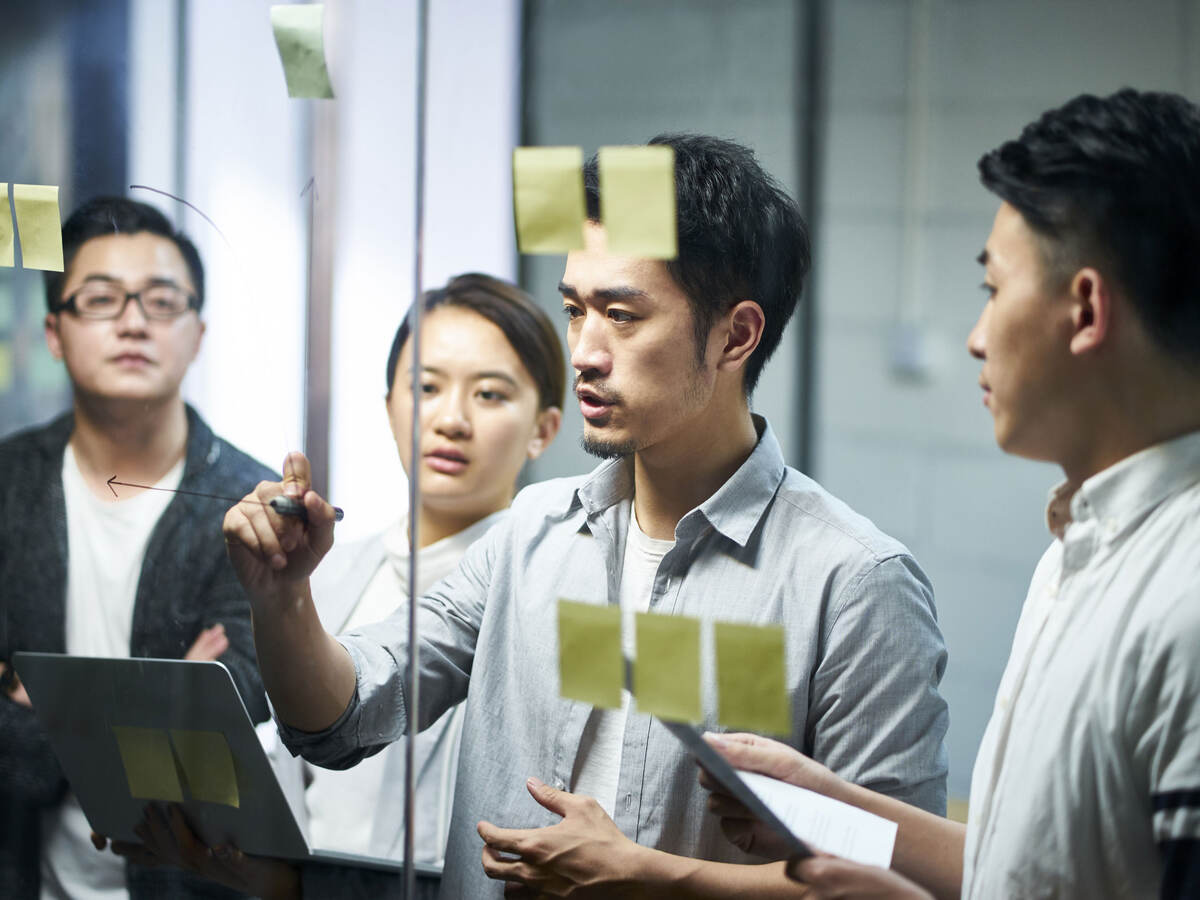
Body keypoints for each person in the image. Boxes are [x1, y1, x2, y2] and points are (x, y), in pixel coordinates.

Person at [222, 134, 949, 897]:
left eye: (623, 316)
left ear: (736, 335)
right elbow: (342, 717)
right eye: (574, 310)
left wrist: (654, 881)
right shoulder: (532, 532)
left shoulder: (854, 584)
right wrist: (283, 597)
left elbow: (890, 882)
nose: (584, 353)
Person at [700, 89, 1200, 900]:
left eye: (994, 290)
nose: (976, 335)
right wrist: (827, 805)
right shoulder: (1086, 545)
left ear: (1084, 309)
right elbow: (1033, 869)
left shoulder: (1184, 599)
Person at [110, 274, 565, 899]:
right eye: (425, 387)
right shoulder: (321, 572)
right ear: (389, 407)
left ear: (544, 428)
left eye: (489, 394)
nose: (451, 419)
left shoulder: (553, 592)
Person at [0, 197, 274, 900]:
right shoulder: (7, 484)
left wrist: (51, 706)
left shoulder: (248, 502)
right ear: (55, 333)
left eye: (160, 301)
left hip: (191, 884)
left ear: (198, 332)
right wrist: (165, 697)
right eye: (99, 299)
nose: (131, 322)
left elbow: (241, 702)